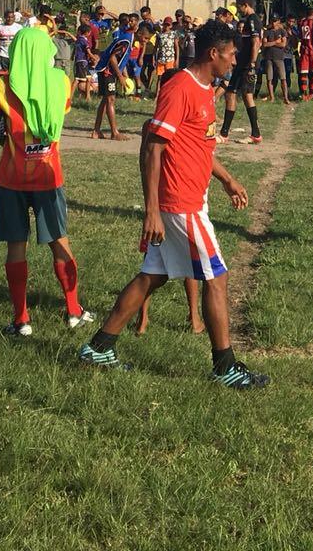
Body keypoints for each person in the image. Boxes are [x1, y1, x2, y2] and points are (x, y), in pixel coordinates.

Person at [79, 20, 267, 388]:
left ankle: (99, 347)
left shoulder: (205, 89)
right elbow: (153, 147)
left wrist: (227, 179)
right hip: (180, 203)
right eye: (230, 55)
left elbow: (199, 146)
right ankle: (225, 366)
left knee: (153, 275)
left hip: (193, 198)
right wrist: (152, 210)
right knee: (217, 276)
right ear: (213, 54)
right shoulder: (179, 88)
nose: (234, 62)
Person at [0, 25, 94, 337]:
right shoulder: (62, 84)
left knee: (15, 247)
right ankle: (74, 309)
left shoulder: (0, 87)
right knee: (59, 241)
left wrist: (0, 140)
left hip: (12, 179)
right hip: (49, 177)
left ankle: (21, 320)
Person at [219, 0, 263, 144]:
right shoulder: (248, 20)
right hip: (241, 64)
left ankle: (254, 134)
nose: (238, 11)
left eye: (239, 7)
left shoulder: (253, 19)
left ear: (246, 5)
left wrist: (252, 63)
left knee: (244, 95)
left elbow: (256, 42)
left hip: (246, 65)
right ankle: (226, 133)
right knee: (233, 94)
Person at [92, 14, 133, 141]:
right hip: (107, 71)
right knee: (110, 100)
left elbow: (121, 59)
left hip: (108, 70)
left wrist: (122, 73)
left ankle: (96, 131)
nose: (146, 40)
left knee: (106, 100)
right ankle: (114, 132)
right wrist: (120, 76)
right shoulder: (125, 39)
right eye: (146, 38)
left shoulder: (127, 37)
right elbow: (113, 57)